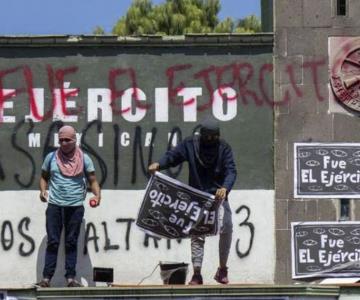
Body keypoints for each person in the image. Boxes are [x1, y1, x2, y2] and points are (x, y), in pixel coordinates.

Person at [148, 118, 237, 285]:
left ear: (218, 136)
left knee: (227, 226)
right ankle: (197, 274)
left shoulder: (224, 148)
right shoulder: (190, 144)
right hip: (197, 197)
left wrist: (225, 188)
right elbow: (173, 156)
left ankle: (222, 269)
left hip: (218, 197)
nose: (210, 141)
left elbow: (231, 171)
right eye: (208, 137)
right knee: (197, 234)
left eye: (214, 138)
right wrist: (159, 164)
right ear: (202, 135)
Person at [36, 125, 101, 288]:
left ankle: (71, 278)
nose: (64, 143)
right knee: (53, 241)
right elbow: (43, 177)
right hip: (54, 206)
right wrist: (42, 191)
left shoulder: (84, 158)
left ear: (74, 140)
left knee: (71, 242)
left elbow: (93, 180)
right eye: (61, 140)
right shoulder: (51, 158)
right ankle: (46, 279)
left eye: (67, 140)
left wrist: (97, 195)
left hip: (75, 206)